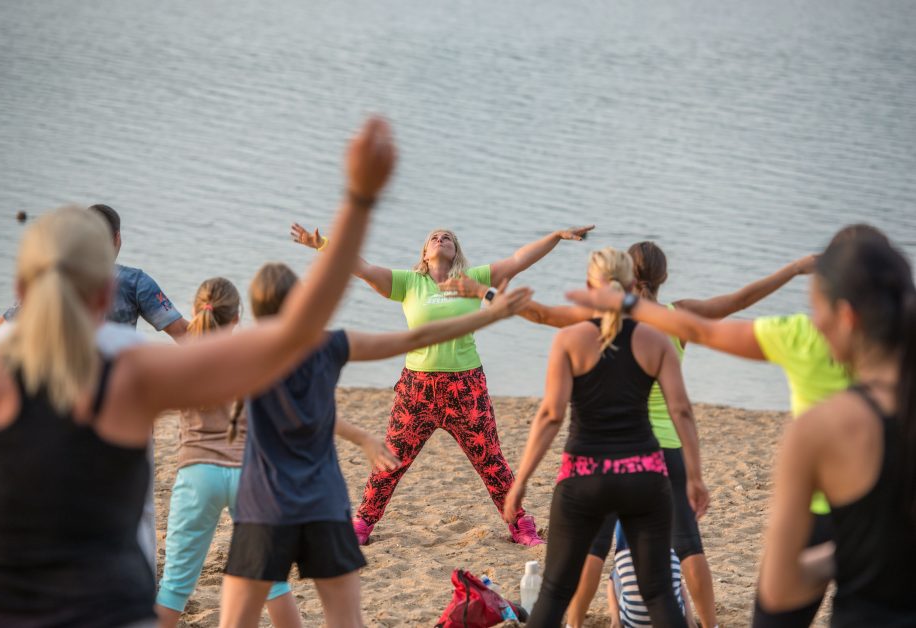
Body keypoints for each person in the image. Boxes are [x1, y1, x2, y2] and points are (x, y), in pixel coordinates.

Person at [0, 115, 395, 627]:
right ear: (109, 290)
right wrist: (359, 198)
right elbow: (294, 332)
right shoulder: (132, 374)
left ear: (21, 291)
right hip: (108, 607)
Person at [445, 242, 814, 628]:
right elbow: (686, 403)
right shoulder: (667, 328)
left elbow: (549, 396)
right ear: (653, 279)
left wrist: (482, 292)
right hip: (651, 463)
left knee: (569, 573)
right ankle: (709, 623)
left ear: (596, 282)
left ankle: (574, 622)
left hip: (587, 471)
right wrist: (697, 474)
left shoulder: (576, 331)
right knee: (671, 569)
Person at [566, 226, 886, 626]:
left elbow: (558, 334)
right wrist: (792, 270)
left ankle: (575, 623)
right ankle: (710, 623)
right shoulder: (680, 316)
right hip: (667, 447)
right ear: (663, 277)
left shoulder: (606, 319)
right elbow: (739, 301)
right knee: (686, 544)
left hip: (614, 445)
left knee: (594, 544)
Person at [219, 262, 533, 628]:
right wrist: (492, 312)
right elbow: (413, 339)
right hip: (322, 501)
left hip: (262, 503)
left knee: (244, 612)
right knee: (344, 618)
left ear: (249, 311)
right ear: (303, 300)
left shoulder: (241, 353)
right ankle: (366, 520)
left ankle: (516, 520)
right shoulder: (328, 344)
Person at [290, 220, 594, 546]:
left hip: (466, 387)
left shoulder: (473, 279)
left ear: (456, 251)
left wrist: (555, 236)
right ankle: (363, 523)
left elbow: (519, 259)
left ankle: (520, 524)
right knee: (391, 458)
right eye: (434, 236)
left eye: (448, 237)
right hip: (417, 389)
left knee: (490, 460)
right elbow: (361, 267)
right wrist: (322, 244)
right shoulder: (408, 283)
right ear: (425, 252)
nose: (441, 238)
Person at [502, 247, 709, 627]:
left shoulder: (570, 339)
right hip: (645, 476)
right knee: (660, 593)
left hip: (584, 476)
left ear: (588, 286)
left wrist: (520, 482)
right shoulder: (657, 339)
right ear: (632, 286)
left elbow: (550, 415)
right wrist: (694, 476)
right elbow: (681, 411)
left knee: (553, 593)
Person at [0, 203, 189, 576]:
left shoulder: (51, 282)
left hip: (61, 409)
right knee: (139, 506)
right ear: (116, 240)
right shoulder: (136, 281)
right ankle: (144, 581)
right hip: (125, 411)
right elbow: (185, 336)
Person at [755, 236, 916, 626]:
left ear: (846, 316)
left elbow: (780, 589)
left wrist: (843, 553)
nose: (815, 323)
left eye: (816, 309)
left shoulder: (820, 429)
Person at [154, 277, 294, 628]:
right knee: (273, 582)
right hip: (249, 471)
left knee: (174, 587)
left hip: (198, 472)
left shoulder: (184, 361)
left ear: (196, 313)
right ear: (236, 318)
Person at [0, 203, 189, 342]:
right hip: (114, 388)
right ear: (117, 238)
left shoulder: (53, 277)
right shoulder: (136, 282)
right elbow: (182, 333)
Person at [606, 521, 696, 628]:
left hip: (636, 623)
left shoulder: (625, 557)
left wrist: (615, 621)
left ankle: (616, 621)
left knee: (615, 575)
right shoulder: (672, 555)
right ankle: (690, 621)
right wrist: (690, 623)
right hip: (648, 622)